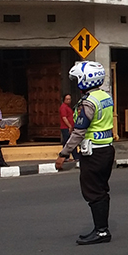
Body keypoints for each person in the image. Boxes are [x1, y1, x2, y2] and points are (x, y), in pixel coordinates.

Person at [55, 61, 115, 245]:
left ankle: (102, 231)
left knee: (93, 190)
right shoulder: (105, 96)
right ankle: (101, 229)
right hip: (107, 150)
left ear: (85, 80)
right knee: (101, 189)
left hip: (94, 153)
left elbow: (79, 131)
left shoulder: (89, 103)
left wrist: (64, 153)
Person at [59, 93, 80, 162]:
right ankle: (73, 156)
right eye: (67, 99)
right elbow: (64, 118)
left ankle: (66, 156)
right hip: (66, 127)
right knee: (70, 142)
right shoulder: (63, 107)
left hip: (69, 127)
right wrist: (69, 126)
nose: (69, 100)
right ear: (64, 100)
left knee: (68, 142)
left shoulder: (68, 107)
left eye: (69, 99)